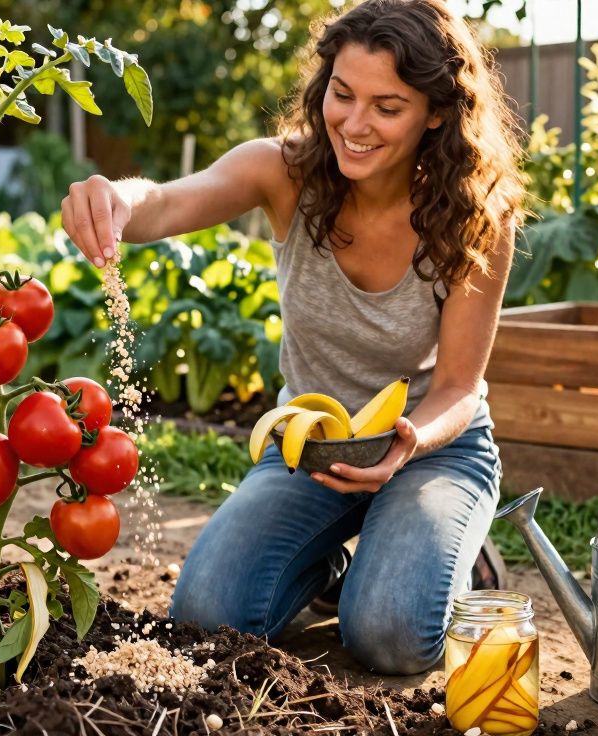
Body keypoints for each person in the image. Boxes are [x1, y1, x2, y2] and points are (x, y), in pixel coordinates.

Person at [59, 0, 523, 675]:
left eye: (386, 107)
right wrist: (121, 200)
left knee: (388, 635)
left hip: (430, 448)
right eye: (342, 94)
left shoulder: (476, 214)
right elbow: (165, 201)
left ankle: (463, 561)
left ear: (436, 111)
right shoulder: (285, 172)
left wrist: (406, 444)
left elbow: (457, 385)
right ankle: (330, 559)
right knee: (205, 617)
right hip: (309, 444)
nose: (354, 125)